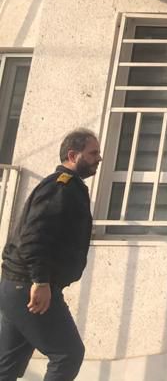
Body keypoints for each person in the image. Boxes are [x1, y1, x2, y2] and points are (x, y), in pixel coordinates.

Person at [0, 129, 101, 381]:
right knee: (68, 354)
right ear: (73, 155)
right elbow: (33, 236)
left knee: (7, 366)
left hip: (18, 286)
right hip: (29, 285)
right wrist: (41, 281)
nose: (98, 158)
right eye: (93, 153)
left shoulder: (69, 187)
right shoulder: (61, 187)